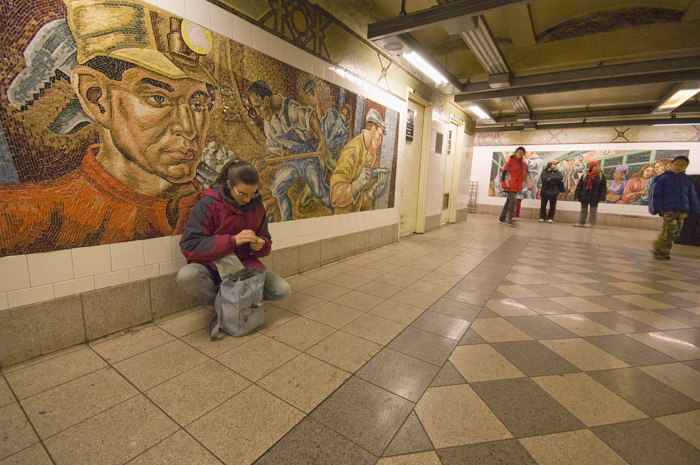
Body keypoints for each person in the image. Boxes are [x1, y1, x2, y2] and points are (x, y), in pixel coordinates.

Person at [0, 0, 217, 255]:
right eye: (158, 98)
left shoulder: (218, 209)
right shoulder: (20, 219)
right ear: (96, 98)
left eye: (199, 103)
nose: (189, 128)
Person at [177, 160, 291, 304]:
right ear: (229, 185)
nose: (247, 199)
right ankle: (223, 304)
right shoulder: (208, 203)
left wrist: (259, 245)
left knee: (282, 290)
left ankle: (236, 301)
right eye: (242, 194)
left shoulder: (256, 206)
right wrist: (232, 241)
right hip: (212, 264)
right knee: (187, 276)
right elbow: (189, 245)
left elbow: (265, 241)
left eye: (252, 194)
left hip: (242, 263)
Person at [247, 80, 334, 221]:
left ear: (267, 100)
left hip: (308, 157)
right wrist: (264, 161)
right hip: (293, 160)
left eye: (258, 106)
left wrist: (322, 141)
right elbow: (275, 152)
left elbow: (311, 118)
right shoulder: (268, 122)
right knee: (276, 191)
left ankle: (339, 209)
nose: (257, 113)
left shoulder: (289, 109)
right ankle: (286, 222)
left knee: (318, 191)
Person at [329, 108, 390, 214]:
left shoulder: (371, 154)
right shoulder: (352, 151)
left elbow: (361, 197)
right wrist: (357, 185)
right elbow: (335, 196)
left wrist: (373, 188)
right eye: (379, 136)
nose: (380, 142)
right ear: (373, 130)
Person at [649, 156, 700, 260]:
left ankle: (661, 247)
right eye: (677, 164)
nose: (678, 167)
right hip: (669, 209)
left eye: (682, 165)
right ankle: (661, 251)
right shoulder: (663, 178)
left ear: (686, 167)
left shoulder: (686, 179)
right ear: (671, 164)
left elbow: (692, 195)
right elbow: (656, 194)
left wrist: (695, 209)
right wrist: (655, 207)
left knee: (676, 232)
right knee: (670, 230)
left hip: (682, 210)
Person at [498, 147, 531, 226]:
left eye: (522, 152)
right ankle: (510, 219)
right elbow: (504, 174)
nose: (520, 153)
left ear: (524, 154)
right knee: (513, 201)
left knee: (508, 202)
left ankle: (501, 218)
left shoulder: (524, 164)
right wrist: (504, 184)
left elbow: (527, 175)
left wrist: (530, 184)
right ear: (516, 153)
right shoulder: (510, 163)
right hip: (509, 186)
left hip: (517, 186)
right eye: (518, 152)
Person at [574, 161, 607, 228]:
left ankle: (592, 223)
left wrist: (602, 197)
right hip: (584, 195)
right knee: (583, 209)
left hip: (595, 196)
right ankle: (581, 222)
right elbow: (579, 187)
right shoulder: (585, 176)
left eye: (598, 166)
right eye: (596, 166)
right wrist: (577, 196)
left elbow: (603, 188)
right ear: (591, 167)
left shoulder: (601, 177)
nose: (597, 168)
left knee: (593, 210)